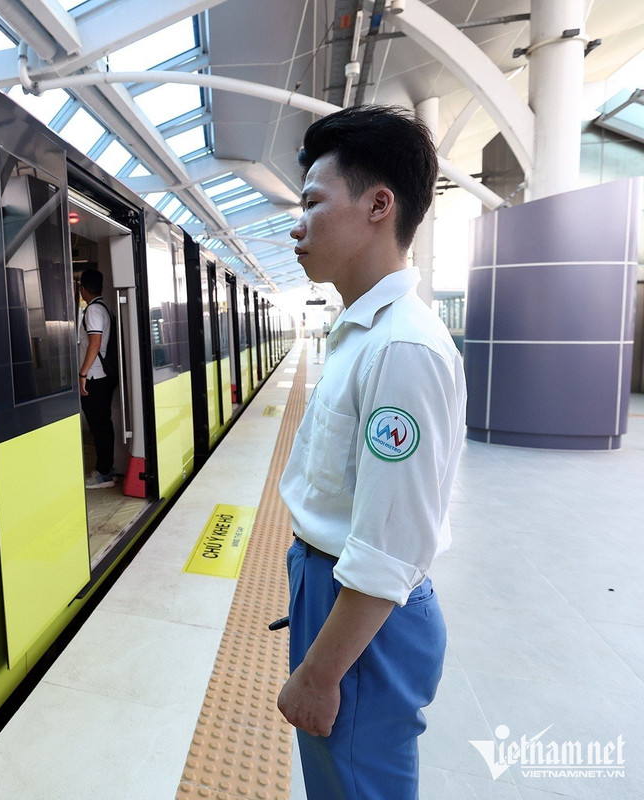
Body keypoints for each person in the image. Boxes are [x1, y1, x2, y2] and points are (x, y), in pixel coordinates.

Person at [276, 105, 466, 799]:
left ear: (379, 205)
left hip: (361, 614)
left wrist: (320, 674)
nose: (297, 225)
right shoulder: (360, 333)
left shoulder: (402, 348)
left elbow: (390, 545)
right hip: (334, 592)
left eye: (312, 202)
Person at [77, 268, 117, 489]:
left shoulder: (92, 311)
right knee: (103, 423)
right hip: (104, 375)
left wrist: (83, 373)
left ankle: (104, 473)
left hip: (95, 376)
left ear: (84, 289)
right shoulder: (104, 308)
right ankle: (106, 469)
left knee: (98, 424)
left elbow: (95, 343)